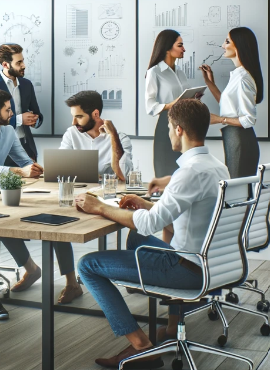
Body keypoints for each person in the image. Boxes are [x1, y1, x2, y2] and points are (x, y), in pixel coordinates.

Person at [74, 99, 229, 368]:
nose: (169, 132)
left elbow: (148, 224)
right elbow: (184, 210)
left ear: (179, 130)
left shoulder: (188, 173)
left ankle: (141, 346)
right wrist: (145, 203)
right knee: (135, 240)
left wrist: (99, 207)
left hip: (188, 269)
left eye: (169, 127)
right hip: (211, 264)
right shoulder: (216, 165)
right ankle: (171, 329)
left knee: (88, 265)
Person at [0, 89, 83, 320]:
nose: (12, 112)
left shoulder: (7, 131)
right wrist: (21, 171)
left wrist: (39, 169)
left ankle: (32, 270)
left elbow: (24, 160)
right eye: (8, 109)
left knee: (17, 221)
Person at [199, 27, 264, 178]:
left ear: (239, 45)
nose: (223, 45)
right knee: (236, 190)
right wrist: (209, 82)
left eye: (227, 41)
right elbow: (227, 105)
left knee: (237, 192)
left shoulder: (243, 78)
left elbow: (249, 119)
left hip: (240, 139)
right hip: (234, 138)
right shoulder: (238, 74)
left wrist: (219, 119)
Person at [0, 43, 42, 161]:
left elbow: (38, 114)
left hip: (26, 147)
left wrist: (35, 120)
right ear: (5, 65)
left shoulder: (27, 84)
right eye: (18, 63)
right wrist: (19, 120)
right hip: (2, 149)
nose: (24, 65)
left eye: (22, 61)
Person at [59, 90, 133, 181]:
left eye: (79, 117)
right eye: (73, 117)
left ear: (95, 114)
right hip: (77, 191)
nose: (73, 123)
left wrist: (113, 136)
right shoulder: (71, 134)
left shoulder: (121, 139)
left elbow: (124, 175)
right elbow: (61, 169)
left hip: (107, 192)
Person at [145, 29, 190, 177]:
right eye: (180, 45)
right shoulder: (155, 72)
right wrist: (172, 104)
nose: (184, 49)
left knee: (184, 172)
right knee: (166, 171)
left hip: (185, 125)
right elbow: (150, 106)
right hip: (167, 125)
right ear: (167, 48)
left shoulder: (181, 72)